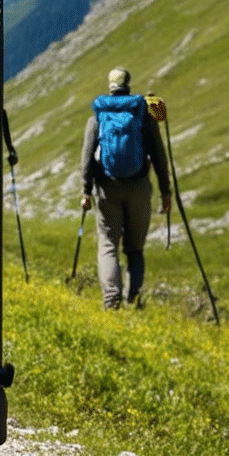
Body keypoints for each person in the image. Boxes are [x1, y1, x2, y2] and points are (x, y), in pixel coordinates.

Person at [80, 67, 172, 309]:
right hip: (139, 188)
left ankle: (111, 298)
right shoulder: (143, 117)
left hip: (107, 189)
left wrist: (85, 192)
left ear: (110, 86)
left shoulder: (97, 118)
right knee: (135, 247)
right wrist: (166, 193)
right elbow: (160, 158)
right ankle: (134, 295)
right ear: (128, 85)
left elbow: (87, 157)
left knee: (108, 244)